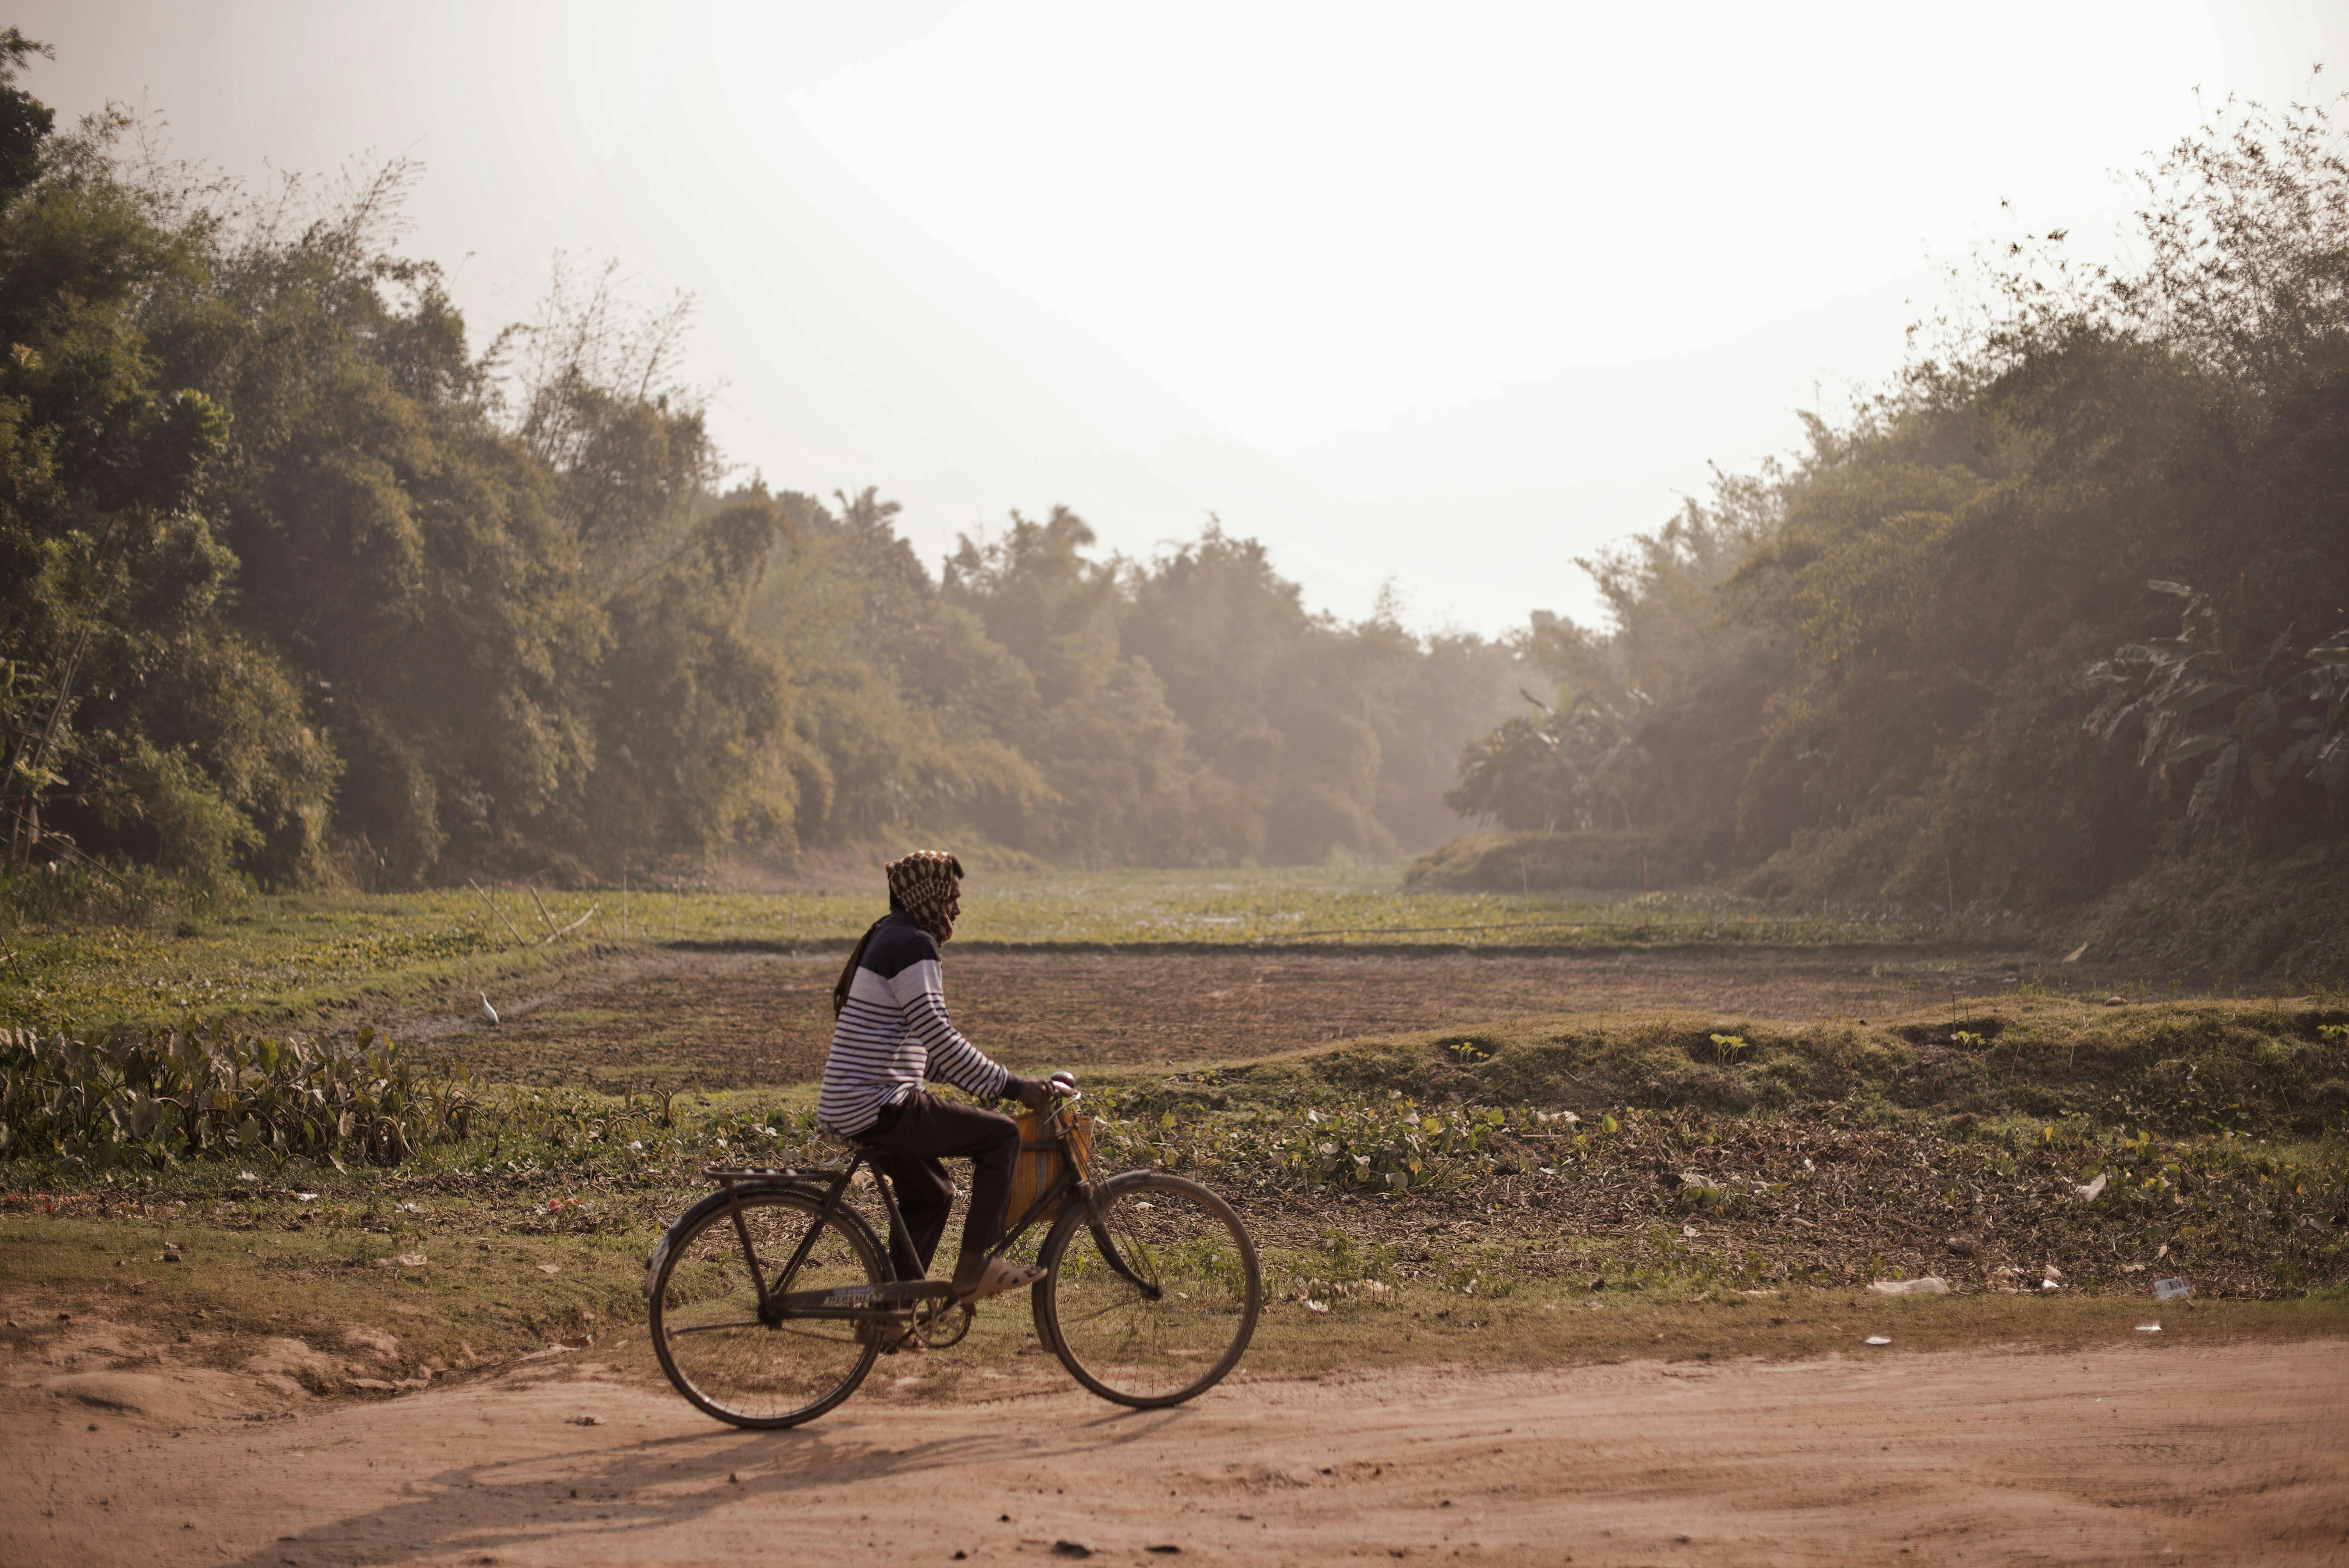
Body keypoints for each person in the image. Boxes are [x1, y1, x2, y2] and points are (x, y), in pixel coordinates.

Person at [818, 849, 1052, 1303]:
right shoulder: (912, 945)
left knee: (932, 1193)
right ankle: (972, 1270)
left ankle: (890, 1316)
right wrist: (1012, 1087)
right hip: (880, 1104)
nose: (957, 909)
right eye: (952, 896)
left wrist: (993, 1081)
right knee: (1002, 1137)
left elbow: (925, 1053)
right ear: (929, 896)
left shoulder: (888, 935)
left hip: (856, 1102)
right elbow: (940, 1038)